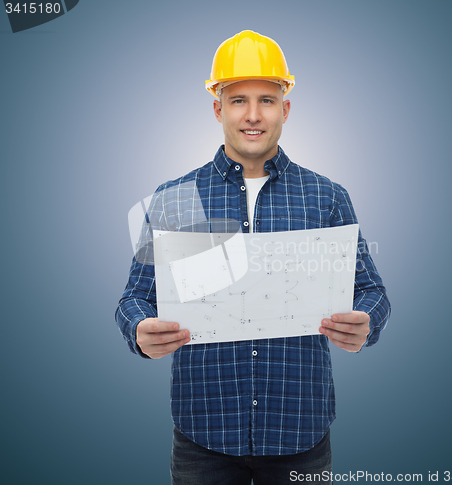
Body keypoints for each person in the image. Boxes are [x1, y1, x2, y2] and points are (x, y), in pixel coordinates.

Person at [116, 30, 391, 485]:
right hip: (203, 437)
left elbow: (371, 290)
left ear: (285, 108)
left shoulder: (326, 197)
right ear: (217, 108)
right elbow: (135, 298)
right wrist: (140, 331)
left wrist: (366, 320)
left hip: (299, 433)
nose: (253, 114)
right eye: (238, 98)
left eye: (267, 99)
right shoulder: (175, 199)